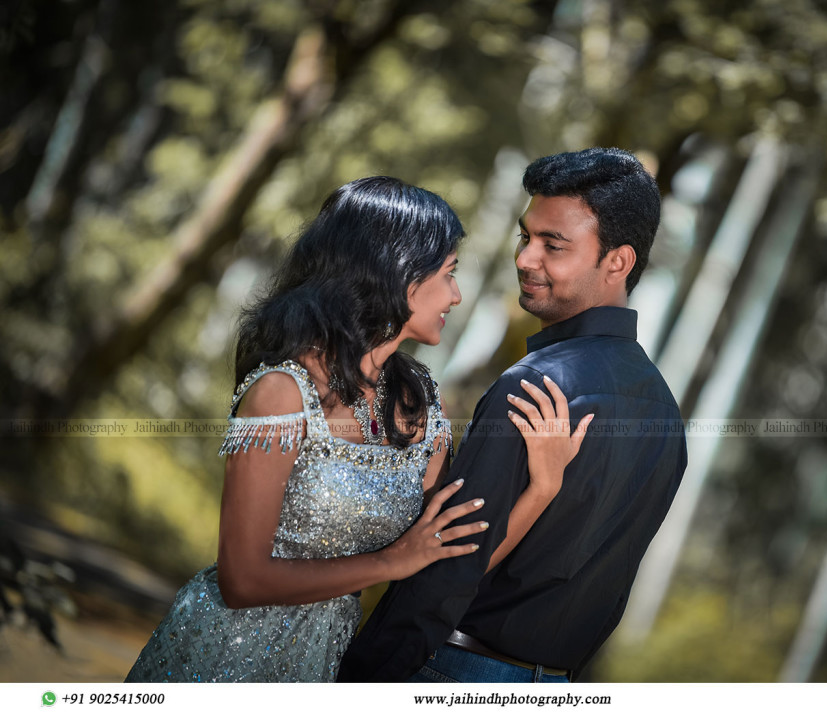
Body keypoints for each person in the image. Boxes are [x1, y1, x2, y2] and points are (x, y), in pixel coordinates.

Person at [124, 177, 590, 682]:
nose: (456, 296)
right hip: (219, 661)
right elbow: (242, 580)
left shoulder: (422, 406)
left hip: (325, 669)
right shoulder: (283, 393)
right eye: (449, 273)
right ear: (397, 271)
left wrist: (545, 486)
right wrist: (391, 562)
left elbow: (451, 557)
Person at [336, 148, 688, 683]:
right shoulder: (667, 420)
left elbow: (450, 564)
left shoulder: (533, 389)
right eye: (527, 236)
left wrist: (365, 678)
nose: (525, 258)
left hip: (449, 669)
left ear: (617, 262)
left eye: (554, 245)